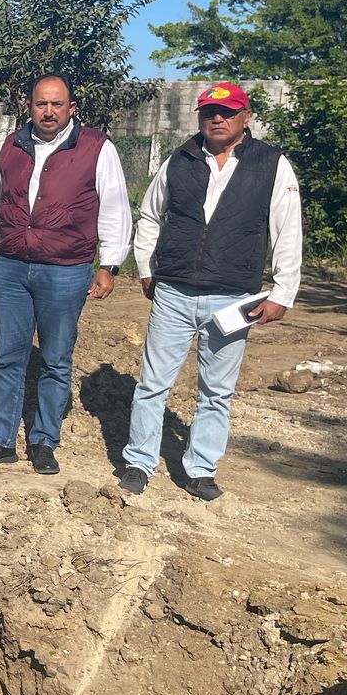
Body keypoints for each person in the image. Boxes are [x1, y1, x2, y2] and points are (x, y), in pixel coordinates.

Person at [117, 82, 302, 501]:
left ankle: (200, 469)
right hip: (174, 292)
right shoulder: (179, 160)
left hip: (233, 297)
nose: (217, 118)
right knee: (151, 384)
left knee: (216, 391)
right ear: (199, 117)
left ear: (245, 117)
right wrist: (147, 267)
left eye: (227, 111)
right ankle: (138, 462)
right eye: (209, 112)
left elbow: (287, 229)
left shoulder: (271, 164)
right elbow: (150, 214)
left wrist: (283, 290)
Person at [0, 74, 132, 475]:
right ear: (30, 106)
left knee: (56, 360)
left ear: (71, 108)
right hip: (11, 268)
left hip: (66, 270)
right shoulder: (11, 146)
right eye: (42, 103)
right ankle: (1, 439)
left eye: (57, 104)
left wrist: (108, 265)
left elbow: (114, 208)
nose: (49, 111)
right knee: (8, 357)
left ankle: (43, 441)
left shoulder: (96, 148)